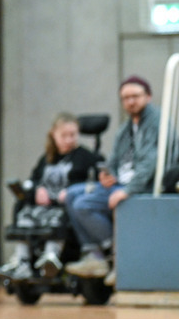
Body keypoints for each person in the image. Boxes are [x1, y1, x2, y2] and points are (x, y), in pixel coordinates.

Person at [64, 75, 161, 281]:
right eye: (125, 98)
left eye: (135, 96)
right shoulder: (126, 129)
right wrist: (107, 175)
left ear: (148, 96)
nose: (130, 101)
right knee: (71, 194)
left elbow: (149, 165)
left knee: (83, 205)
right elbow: (114, 160)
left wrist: (126, 190)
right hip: (121, 182)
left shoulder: (157, 123)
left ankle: (118, 254)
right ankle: (95, 254)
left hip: (141, 186)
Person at [0, 112, 99, 281]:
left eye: (73, 135)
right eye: (64, 135)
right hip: (43, 206)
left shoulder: (85, 157)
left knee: (59, 216)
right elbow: (33, 179)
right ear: (53, 135)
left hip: (64, 206)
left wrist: (73, 190)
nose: (69, 140)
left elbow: (96, 182)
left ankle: (51, 257)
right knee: (24, 212)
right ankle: (22, 261)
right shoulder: (47, 158)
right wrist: (37, 191)